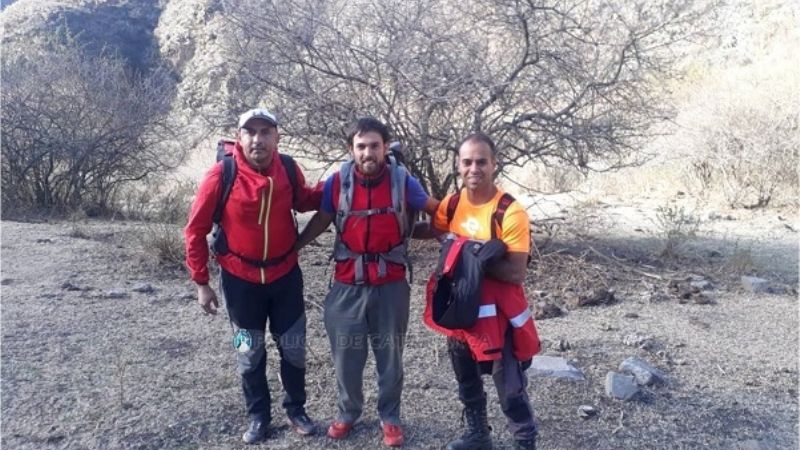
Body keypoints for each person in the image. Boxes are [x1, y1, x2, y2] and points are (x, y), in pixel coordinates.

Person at [295, 117, 439, 447]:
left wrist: (457, 233)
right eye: (361, 147)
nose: (368, 152)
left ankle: (390, 417)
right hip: (347, 283)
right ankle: (348, 412)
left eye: (375, 145)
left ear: (385, 147)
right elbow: (323, 218)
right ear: (351, 150)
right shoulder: (337, 182)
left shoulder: (403, 181)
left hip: (391, 282)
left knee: (390, 355)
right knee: (346, 355)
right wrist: (295, 247)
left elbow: (435, 211)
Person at [184, 108, 322, 444]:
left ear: (277, 137)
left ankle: (296, 410)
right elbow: (195, 231)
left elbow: (305, 200)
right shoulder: (221, 175)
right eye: (251, 132)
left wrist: (342, 182)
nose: (258, 139)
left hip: (285, 276)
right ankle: (258, 416)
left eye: (265, 132)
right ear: (239, 137)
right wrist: (201, 283)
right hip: (238, 281)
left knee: (293, 346)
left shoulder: (288, 169)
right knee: (248, 351)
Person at [424, 132, 541, 450]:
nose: (473, 168)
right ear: (458, 165)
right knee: (466, 377)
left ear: (494, 164)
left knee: (510, 386)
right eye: (467, 162)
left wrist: (466, 256)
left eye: (481, 161)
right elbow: (438, 231)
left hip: (497, 315)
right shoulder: (452, 204)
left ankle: (524, 440)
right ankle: (479, 435)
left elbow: (516, 272)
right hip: (461, 305)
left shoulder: (510, 211)